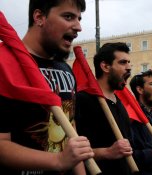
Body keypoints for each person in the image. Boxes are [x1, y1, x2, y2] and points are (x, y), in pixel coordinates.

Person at [0, 0, 95, 174]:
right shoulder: (3, 64)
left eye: (79, 18)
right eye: (68, 16)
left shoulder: (65, 69)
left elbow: (71, 133)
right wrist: (58, 160)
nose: (78, 27)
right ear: (39, 17)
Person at [75, 42, 133, 175]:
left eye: (129, 62)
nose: (129, 67)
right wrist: (107, 152)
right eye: (123, 62)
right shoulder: (83, 100)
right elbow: (72, 150)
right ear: (105, 66)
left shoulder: (119, 102)